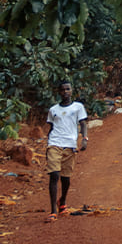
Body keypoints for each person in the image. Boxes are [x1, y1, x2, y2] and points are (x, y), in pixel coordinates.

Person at [43, 83, 88, 218]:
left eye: (67, 89)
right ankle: (53, 211)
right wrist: (47, 145)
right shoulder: (53, 110)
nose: (65, 92)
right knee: (54, 175)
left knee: (66, 178)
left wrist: (84, 138)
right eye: (62, 90)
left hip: (70, 145)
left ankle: (62, 201)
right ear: (59, 92)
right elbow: (51, 128)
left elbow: (83, 123)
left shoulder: (78, 107)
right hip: (54, 143)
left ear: (71, 90)